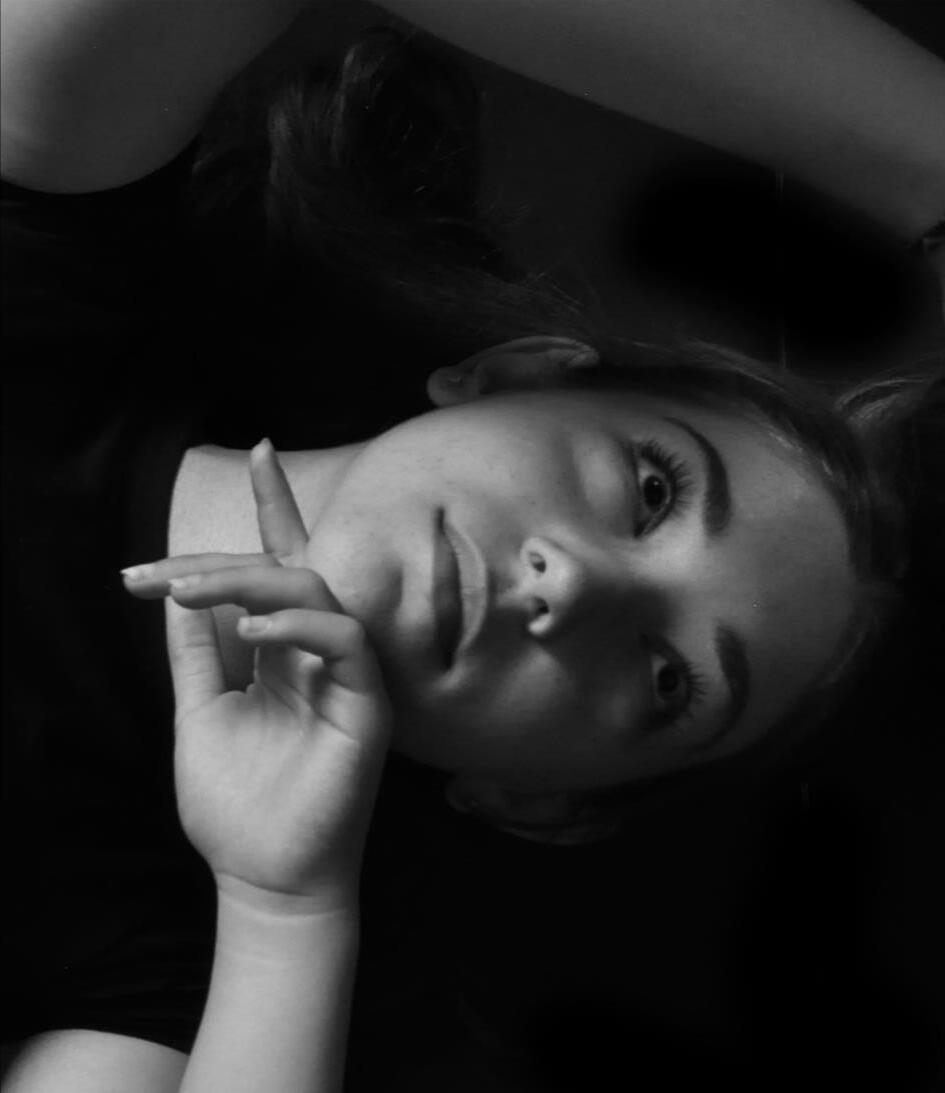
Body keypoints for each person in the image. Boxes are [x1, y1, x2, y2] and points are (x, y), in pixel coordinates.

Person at [2, 1, 944, 1091]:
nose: (574, 583)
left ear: (537, 801)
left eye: (665, 677)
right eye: (652, 490)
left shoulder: (165, 962)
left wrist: (281, 911)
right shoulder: (46, 253)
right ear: (512, 375)